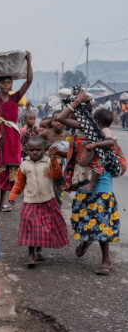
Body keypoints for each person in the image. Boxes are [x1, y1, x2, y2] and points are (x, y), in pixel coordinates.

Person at [57, 90, 124, 275]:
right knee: (85, 216)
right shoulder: (82, 127)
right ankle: (87, 240)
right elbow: (61, 119)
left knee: (101, 220)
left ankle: (106, 260)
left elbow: (109, 144)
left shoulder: (99, 129)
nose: (71, 115)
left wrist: (94, 146)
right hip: (82, 179)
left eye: (75, 112)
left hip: (101, 181)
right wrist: (75, 101)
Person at [0, 51, 33, 212]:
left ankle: (2, 202)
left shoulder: (15, 98)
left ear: (11, 84)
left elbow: (29, 81)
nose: (6, 85)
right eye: (3, 83)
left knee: (10, 169)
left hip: (12, 138)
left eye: (8, 83)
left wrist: (28, 61)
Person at [8, 137, 68, 267]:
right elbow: (19, 182)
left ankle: (39, 249)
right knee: (30, 226)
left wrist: (53, 160)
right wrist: (13, 195)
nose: (35, 152)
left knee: (42, 227)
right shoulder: (24, 165)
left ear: (45, 150)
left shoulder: (48, 162)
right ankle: (31, 255)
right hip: (30, 200)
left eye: (38, 149)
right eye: (31, 150)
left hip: (47, 200)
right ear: (26, 150)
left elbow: (56, 175)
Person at [77, 109, 117, 191]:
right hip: (106, 154)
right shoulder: (102, 129)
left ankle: (92, 184)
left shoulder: (105, 130)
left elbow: (110, 141)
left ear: (96, 121)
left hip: (105, 156)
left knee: (98, 165)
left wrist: (95, 145)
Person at [40, 111, 71, 205]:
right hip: (46, 165)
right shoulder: (45, 134)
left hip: (61, 166)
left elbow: (70, 153)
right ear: (52, 122)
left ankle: (57, 209)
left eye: (61, 120)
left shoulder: (68, 135)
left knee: (58, 188)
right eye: (55, 120)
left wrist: (59, 152)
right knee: (45, 187)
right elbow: (35, 145)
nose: (58, 123)